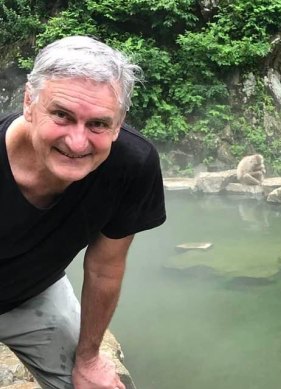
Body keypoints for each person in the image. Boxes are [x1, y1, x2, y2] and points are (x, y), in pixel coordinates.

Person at [0, 36, 166, 389]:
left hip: (33, 293)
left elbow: (105, 267)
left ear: (118, 124)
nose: (77, 143)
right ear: (29, 102)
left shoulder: (131, 166)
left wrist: (89, 358)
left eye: (98, 124)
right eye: (61, 115)